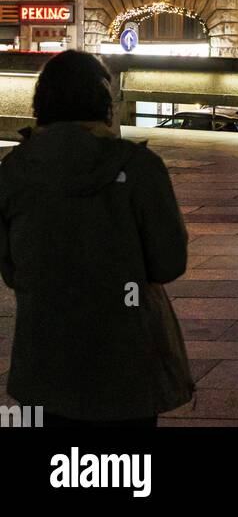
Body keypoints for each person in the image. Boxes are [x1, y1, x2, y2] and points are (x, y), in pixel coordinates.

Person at [0, 49, 194, 426]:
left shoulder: (12, 171)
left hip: (44, 361)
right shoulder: (139, 168)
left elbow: (11, 267)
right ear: (106, 104)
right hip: (128, 364)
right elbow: (169, 263)